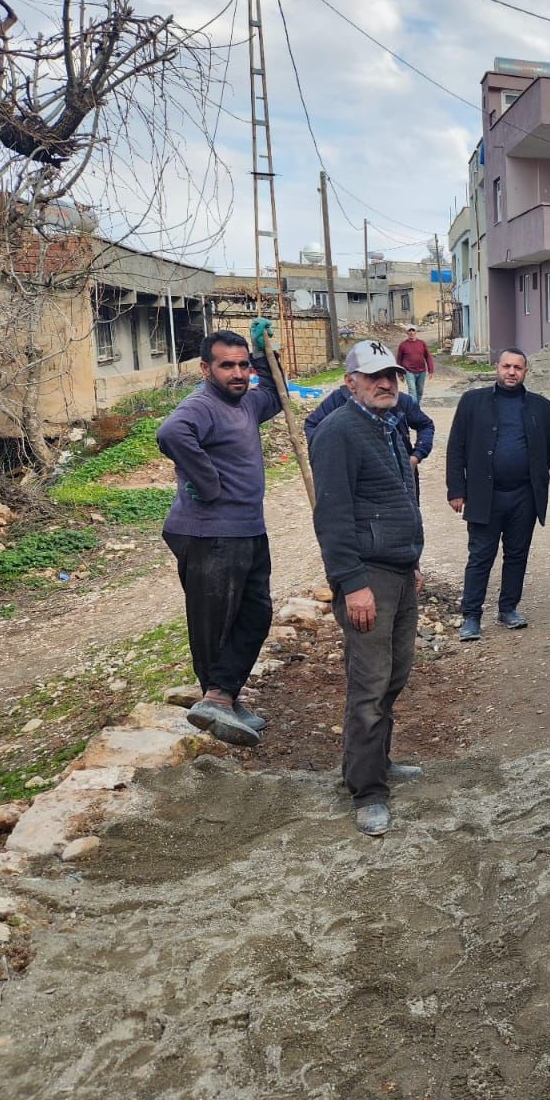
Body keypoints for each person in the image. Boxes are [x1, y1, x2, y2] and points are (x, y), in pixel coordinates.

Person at [309, 341, 427, 837]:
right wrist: (353, 584)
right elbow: (332, 518)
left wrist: (411, 560)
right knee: (370, 685)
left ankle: (374, 762)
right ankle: (367, 790)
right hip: (368, 579)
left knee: (395, 674)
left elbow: (396, 498)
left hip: (399, 572)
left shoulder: (389, 426)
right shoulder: (339, 432)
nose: (386, 384)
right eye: (375, 376)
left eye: (393, 376)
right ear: (349, 381)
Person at [155, 329, 283, 748]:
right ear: (206, 368)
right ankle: (216, 697)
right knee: (215, 624)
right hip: (208, 532)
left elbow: (277, 394)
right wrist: (207, 483)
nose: (239, 373)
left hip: (247, 528)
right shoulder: (202, 404)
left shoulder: (246, 402)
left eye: (244, 365)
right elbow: (171, 434)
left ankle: (224, 694)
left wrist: (266, 354)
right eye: (228, 365)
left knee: (255, 614)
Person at [447, 347, 550, 640]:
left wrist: (534, 471)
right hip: (485, 494)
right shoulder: (473, 402)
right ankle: (471, 616)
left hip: (524, 495)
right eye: (507, 366)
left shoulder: (540, 406)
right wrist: (456, 489)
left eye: (518, 368)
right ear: (497, 368)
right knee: (480, 555)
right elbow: (456, 446)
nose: (512, 372)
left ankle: (508, 608)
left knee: (517, 555)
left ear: (526, 371)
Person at [304, 381, 434, 498]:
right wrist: (331, 458)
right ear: (351, 381)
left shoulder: (400, 401)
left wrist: (416, 456)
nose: (384, 384)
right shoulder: (338, 400)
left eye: (389, 376)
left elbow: (425, 425)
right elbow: (313, 425)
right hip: (357, 479)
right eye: (372, 377)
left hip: (400, 476)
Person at [397, 326, 434, 404]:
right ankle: (414, 410)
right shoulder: (403, 345)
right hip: (409, 371)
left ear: (416, 332)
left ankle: (416, 408)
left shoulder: (422, 343)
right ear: (407, 333)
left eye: (413, 330)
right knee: (412, 392)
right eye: (409, 331)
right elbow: (399, 359)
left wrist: (431, 370)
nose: (411, 332)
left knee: (419, 391)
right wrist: (399, 373)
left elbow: (428, 356)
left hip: (421, 371)